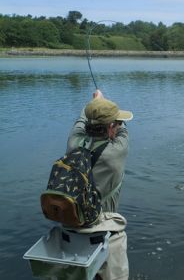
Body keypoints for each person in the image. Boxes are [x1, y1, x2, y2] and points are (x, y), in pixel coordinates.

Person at [66, 89, 133, 280]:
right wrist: (102, 102)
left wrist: (95, 101)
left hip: (72, 224)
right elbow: (124, 130)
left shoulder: (73, 142)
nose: (120, 125)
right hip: (104, 229)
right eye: (117, 123)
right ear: (111, 127)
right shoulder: (116, 151)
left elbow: (81, 120)